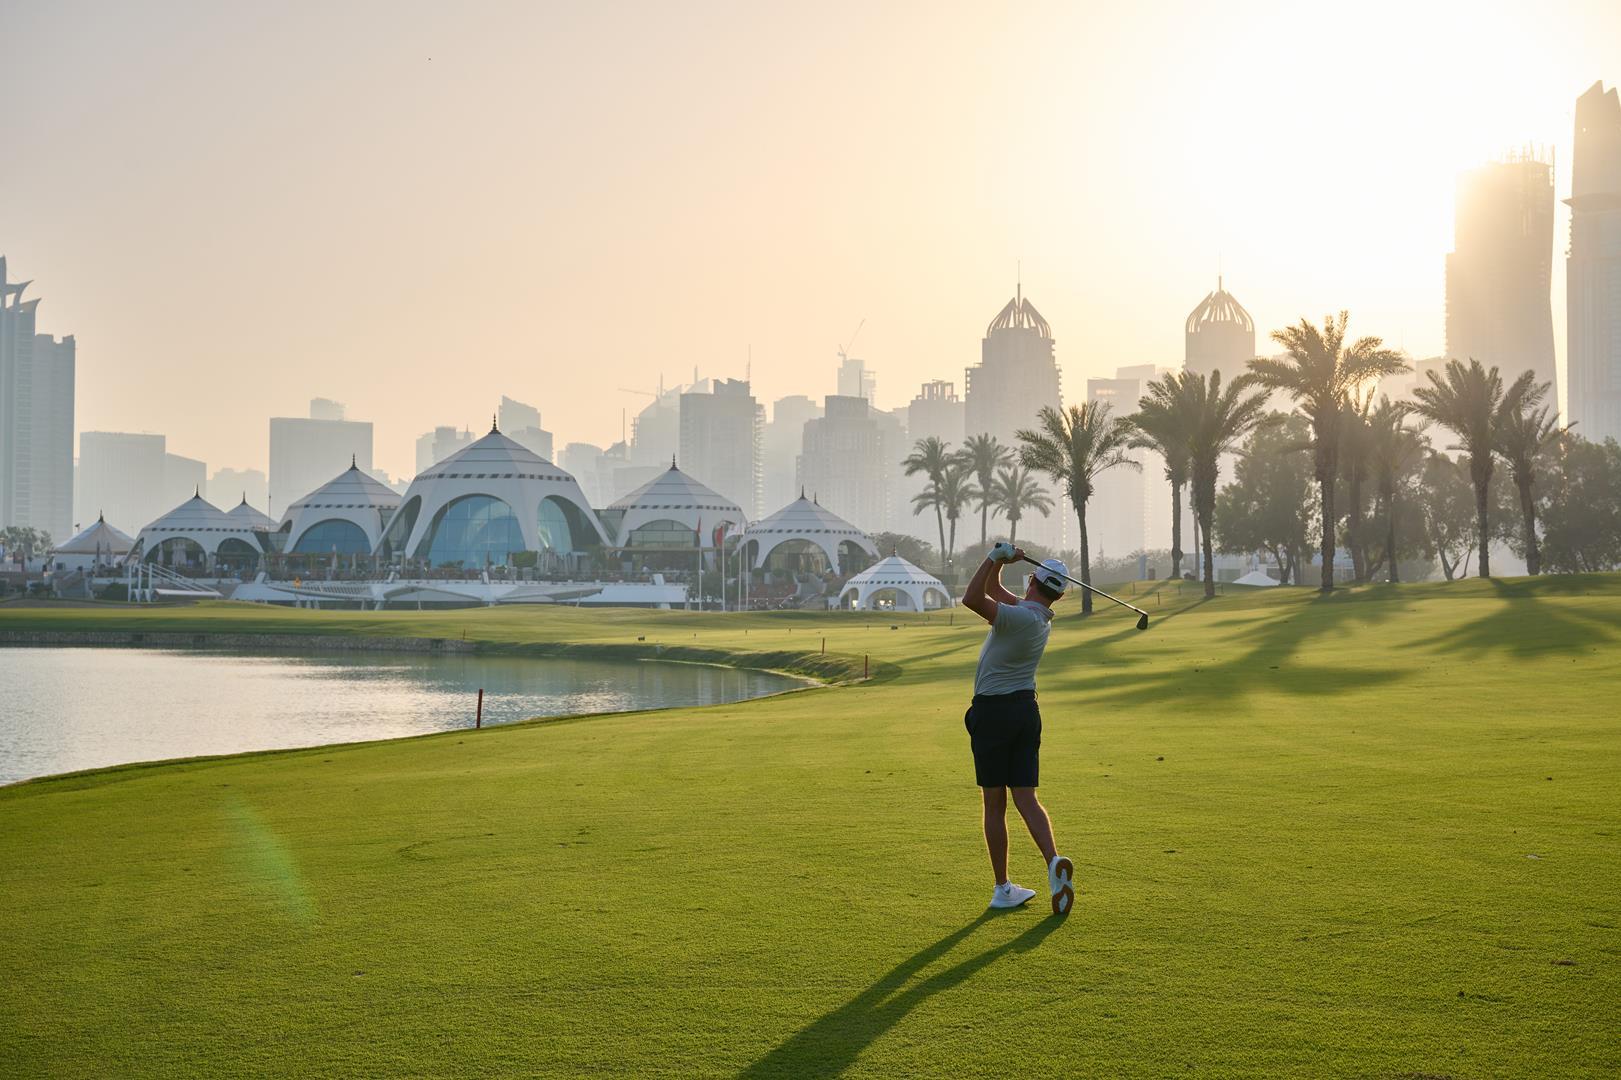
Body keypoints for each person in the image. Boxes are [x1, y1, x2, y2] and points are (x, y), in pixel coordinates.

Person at [960, 541, 1075, 916]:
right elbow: (993, 590)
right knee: (1026, 798)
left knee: (994, 804)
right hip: (1026, 712)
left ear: (1032, 582)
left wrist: (993, 557)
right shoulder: (1037, 616)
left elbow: (972, 598)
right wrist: (1002, 564)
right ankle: (1053, 862)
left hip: (994, 714)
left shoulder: (1019, 618)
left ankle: (1003, 888)